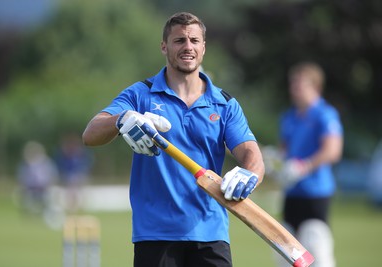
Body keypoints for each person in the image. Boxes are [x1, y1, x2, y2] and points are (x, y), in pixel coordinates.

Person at [82, 12, 264, 267]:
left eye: (194, 40)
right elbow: (90, 135)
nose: (187, 46)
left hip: (210, 234)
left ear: (203, 47)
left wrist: (250, 174)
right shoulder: (140, 95)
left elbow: (252, 155)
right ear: (164, 46)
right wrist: (122, 119)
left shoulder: (224, 104)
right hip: (156, 235)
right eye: (179, 40)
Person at [273, 62, 343, 267]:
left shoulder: (325, 114)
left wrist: (304, 166)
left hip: (316, 193)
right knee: (286, 253)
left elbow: (333, 151)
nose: (293, 89)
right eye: (292, 84)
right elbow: (284, 150)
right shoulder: (289, 116)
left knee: (317, 248)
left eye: (299, 85)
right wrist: (275, 161)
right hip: (292, 193)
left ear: (315, 87)